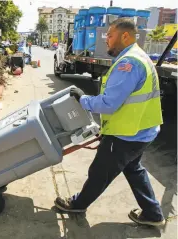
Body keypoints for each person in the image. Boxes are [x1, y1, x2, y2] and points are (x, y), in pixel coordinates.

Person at [54, 18, 166, 227]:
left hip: (127, 134)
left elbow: (108, 104)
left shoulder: (128, 63)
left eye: (110, 35)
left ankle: (78, 204)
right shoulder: (139, 56)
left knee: (100, 172)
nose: (106, 40)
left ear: (125, 36)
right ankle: (153, 213)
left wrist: (82, 99)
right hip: (142, 131)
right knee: (133, 169)